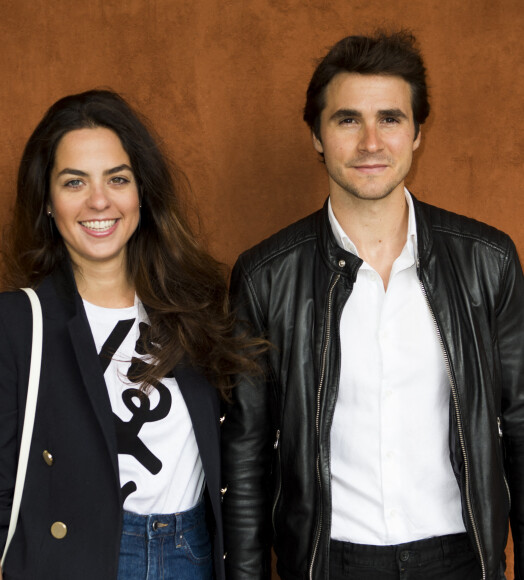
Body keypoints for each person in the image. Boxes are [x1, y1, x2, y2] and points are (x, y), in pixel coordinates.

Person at [221, 31, 524, 580]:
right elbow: (246, 455)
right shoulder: (265, 276)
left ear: (416, 135)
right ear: (316, 136)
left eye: (390, 118)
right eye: (346, 120)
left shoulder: (488, 260)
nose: (370, 143)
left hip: (458, 558)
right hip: (328, 560)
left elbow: (521, 423)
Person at [0, 89, 260, 579]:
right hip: (80, 563)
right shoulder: (9, 324)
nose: (99, 200)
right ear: (47, 202)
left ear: (142, 193)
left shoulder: (200, 309)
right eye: (74, 182)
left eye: (117, 178)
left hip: (193, 556)